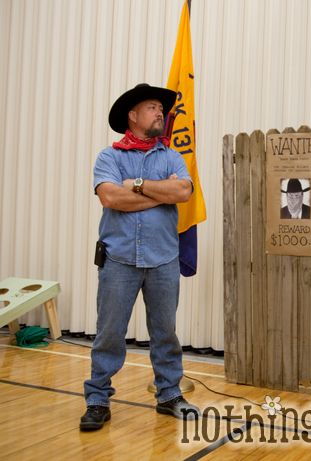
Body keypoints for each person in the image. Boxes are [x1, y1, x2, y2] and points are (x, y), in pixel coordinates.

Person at [80, 83, 199, 431]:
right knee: (110, 334)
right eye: (152, 107)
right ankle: (98, 399)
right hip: (118, 261)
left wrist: (134, 184)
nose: (160, 112)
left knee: (165, 333)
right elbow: (110, 199)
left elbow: (183, 191)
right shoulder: (110, 156)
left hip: (163, 259)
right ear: (132, 116)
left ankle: (169, 395)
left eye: (161, 109)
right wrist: (159, 193)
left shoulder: (172, 156)